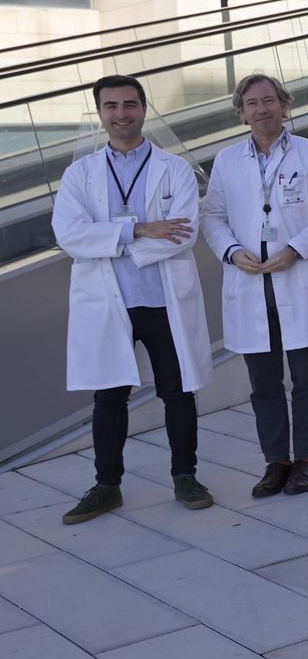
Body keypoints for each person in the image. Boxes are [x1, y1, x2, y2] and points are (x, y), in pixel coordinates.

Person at [52, 75, 214, 524]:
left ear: (144, 108)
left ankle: (186, 476)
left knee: (178, 393)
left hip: (163, 299)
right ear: (100, 114)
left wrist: (107, 240)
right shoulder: (79, 174)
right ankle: (107, 486)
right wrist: (137, 229)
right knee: (108, 397)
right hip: (108, 302)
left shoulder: (175, 168)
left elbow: (182, 234)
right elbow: (68, 235)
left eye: (129, 104)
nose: (121, 113)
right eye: (111, 106)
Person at [200, 74, 308, 497]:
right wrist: (231, 251)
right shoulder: (227, 160)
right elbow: (212, 216)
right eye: (252, 103)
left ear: (285, 106)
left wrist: (295, 250)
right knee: (263, 383)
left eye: (269, 100)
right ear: (240, 112)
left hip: (297, 277)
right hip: (250, 283)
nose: (261, 109)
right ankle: (275, 462)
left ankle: (303, 460)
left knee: (306, 378)